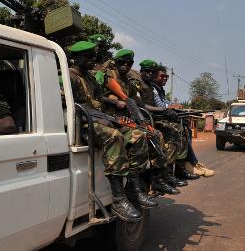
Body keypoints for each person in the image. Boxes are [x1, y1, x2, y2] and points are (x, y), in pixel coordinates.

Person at [66, 41, 157, 223]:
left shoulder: (90, 77)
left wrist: (115, 105)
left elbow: (99, 98)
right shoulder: (69, 76)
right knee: (114, 136)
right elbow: (70, 106)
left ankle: (133, 187)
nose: (93, 59)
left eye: (94, 56)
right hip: (82, 124)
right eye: (88, 56)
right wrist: (105, 119)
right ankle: (118, 199)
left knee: (138, 135)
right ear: (75, 58)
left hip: (98, 119)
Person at [100, 49, 179, 196]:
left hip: (126, 120)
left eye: (129, 63)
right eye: (122, 62)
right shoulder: (108, 77)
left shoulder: (128, 84)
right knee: (138, 136)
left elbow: (137, 103)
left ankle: (158, 178)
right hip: (111, 119)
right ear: (115, 63)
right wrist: (115, 101)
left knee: (155, 134)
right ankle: (132, 187)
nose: (125, 65)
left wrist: (143, 121)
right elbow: (98, 98)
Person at [152, 65, 214, 178]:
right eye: (162, 76)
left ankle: (187, 165)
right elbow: (160, 105)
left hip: (163, 117)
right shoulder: (153, 89)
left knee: (186, 129)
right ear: (154, 76)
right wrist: (171, 106)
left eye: (166, 76)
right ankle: (188, 165)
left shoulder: (159, 89)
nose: (165, 78)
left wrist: (174, 106)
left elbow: (165, 102)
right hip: (156, 119)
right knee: (180, 132)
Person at [136, 59, 188, 189]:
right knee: (161, 136)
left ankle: (168, 173)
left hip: (153, 118)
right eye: (147, 71)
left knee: (179, 131)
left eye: (152, 72)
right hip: (144, 120)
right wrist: (165, 109)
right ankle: (159, 177)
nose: (149, 74)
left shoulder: (150, 86)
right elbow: (141, 105)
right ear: (141, 71)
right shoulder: (137, 84)